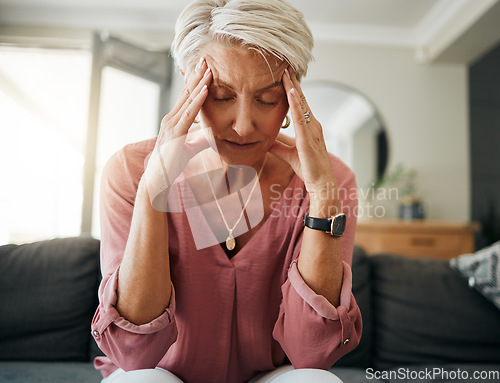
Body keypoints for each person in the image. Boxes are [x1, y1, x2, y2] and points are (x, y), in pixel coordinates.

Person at [91, 0, 362, 382]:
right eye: (221, 96)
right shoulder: (130, 171)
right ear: (188, 84)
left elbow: (311, 352)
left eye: (267, 99)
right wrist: (155, 189)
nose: (244, 126)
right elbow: (135, 354)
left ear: (292, 95)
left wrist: (321, 192)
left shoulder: (331, 178)